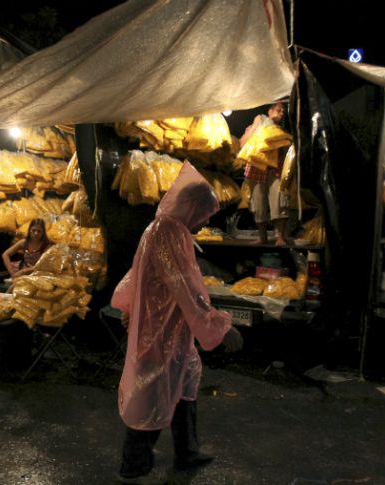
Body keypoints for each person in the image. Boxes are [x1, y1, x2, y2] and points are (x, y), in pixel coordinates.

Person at [111, 161, 243, 482]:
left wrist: (130, 309)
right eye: (204, 212)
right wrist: (219, 326)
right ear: (191, 206)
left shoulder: (160, 229)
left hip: (171, 331)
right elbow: (184, 286)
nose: (205, 220)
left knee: (184, 387)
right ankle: (133, 467)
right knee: (151, 395)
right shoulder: (168, 231)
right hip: (160, 332)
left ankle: (187, 453)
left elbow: (134, 277)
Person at [241, 101, 290, 246]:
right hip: (256, 168)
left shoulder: (281, 131)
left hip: (275, 170)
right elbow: (246, 142)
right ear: (269, 111)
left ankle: (280, 237)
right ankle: (262, 237)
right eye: (279, 110)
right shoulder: (260, 119)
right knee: (258, 203)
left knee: (279, 201)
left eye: (283, 111)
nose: (282, 113)